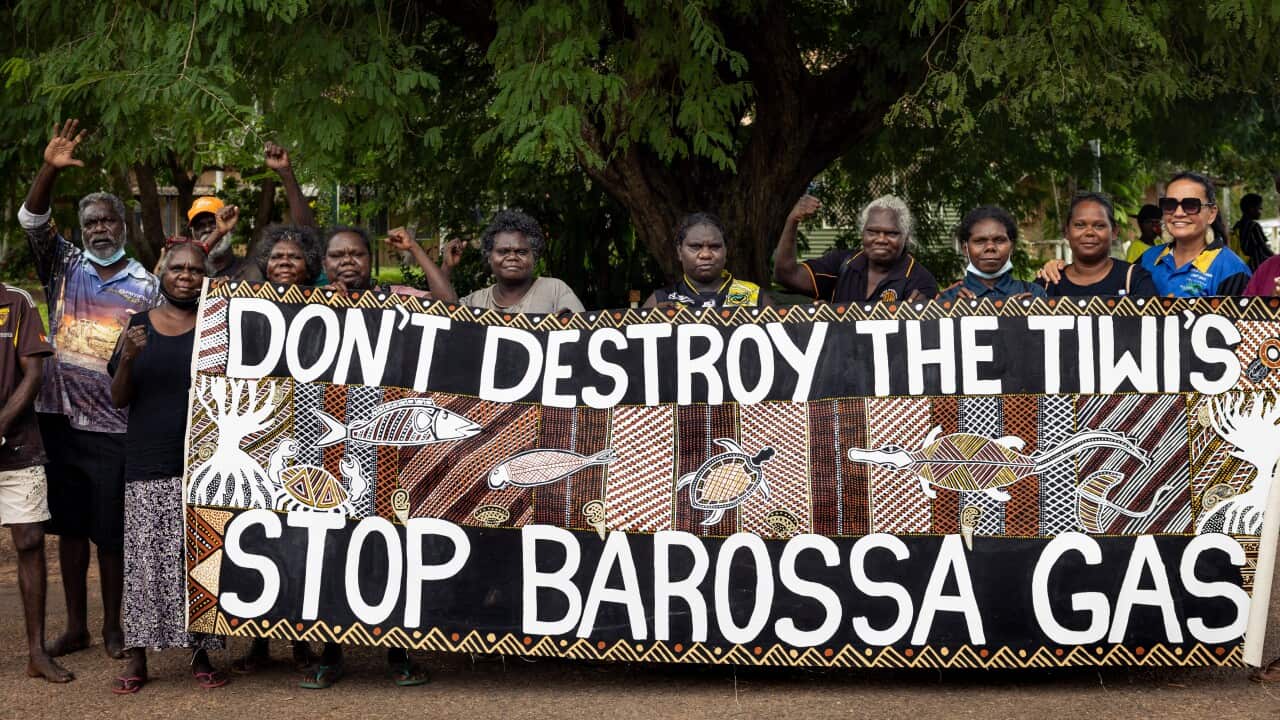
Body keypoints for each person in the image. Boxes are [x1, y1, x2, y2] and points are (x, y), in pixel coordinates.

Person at [18, 120, 159, 661]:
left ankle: (113, 628)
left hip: (114, 428)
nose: (100, 227)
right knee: (69, 532)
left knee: (110, 535)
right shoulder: (64, 266)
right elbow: (33, 219)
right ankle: (75, 627)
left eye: (108, 219)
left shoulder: (146, 285)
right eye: (91, 221)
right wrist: (50, 169)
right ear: (81, 230)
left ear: (123, 225)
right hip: (59, 420)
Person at [299, 227, 437, 690]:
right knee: (332, 542)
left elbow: (449, 304)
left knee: (389, 542)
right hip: (325, 438)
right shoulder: (306, 304)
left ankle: (397, 651)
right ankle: (331, 650)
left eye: (356, 254)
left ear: (370, 258)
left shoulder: (395, 297)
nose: (347, 262)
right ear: (325, 261)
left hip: (387, 440)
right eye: (337, 255)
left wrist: (415, 250)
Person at [106, 243, 228, 694]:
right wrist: (131, 358)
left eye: (196, 269)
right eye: (177, 267)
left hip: (205, 462)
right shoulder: (137, 327)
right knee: (145, 561)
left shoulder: (219, 327)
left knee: (198, 560)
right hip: (149, 459)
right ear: (161, 271)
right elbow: (119, 398)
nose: (186, 275)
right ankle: (137, 657)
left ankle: (201, 651)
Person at [228, 224, 324, 676]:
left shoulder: (331, 308)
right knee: (260, 528)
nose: (284, 263)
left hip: (307, 426)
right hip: (261, 426)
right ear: (265, 264)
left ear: (310, 267)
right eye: (277, 258)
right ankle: (259, 639)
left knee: (303, 534)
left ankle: (304, 641)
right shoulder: (244, 306)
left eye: (294, 258)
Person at [0, 282, 71, 683]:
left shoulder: (17, 302)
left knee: (29, 541)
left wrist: (2, 422)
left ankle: (36, 653)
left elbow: (34, 373)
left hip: (18, 446)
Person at [773, 194, 939, 303]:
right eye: (873, 232)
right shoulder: (842, 264)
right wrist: (792, 220)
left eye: (891, 234)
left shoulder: (920, 280)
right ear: (862, 232)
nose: (881, 239)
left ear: (906, 236)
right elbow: (786, 274)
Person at [445, 210, 585, 314]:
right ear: (489, 257)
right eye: (503, 251)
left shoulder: (554, 290)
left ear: (534, 257)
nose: (512, 257)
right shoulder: (476, 302)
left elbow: (582, 332)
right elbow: (446, 313)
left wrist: (568, 323)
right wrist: (446, 267)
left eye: (521, 252)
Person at [1137, 171, 1251, 297]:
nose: (1178, 213)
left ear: (1211, 214)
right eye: (1170, 205)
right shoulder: (1147, 259)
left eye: (1191, 205)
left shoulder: (1232, 270)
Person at [1034, 193, 1157, 297]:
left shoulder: (1135, 279)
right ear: (1067, 232)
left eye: (1099, 226)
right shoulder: (1047, 283)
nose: (1089, 232)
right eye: (1079, 225)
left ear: (1114, 232)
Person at [643, 212, 773, 308]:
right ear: (679, 252)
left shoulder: (754, 296)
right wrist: (653, 320)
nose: (705, 254)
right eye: (695, 247)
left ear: (726, 251)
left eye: (715, 247)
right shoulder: (660, 300)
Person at [938, 205, 1046, 301]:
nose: (990, 247)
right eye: (980, 241)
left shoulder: (1035, 294)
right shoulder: (947, 299)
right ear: (965, 248)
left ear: (1012, 247)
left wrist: (1032, 313)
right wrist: (953, 312)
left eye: (999, 240)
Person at [186, 197, 262, 281]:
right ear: (192, 233)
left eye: (213, 223)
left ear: (231, 227)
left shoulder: (249, 271)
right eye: (200, 226)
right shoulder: (188, 273)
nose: (207, 229)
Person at [1231, 193, 1274, 271]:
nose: (1261, 211)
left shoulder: (1237, 226)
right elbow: (1264, 249)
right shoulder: (1254, 226)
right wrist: (1276, 258)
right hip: (1256, 269)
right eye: (1260, 208)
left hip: (1243, 268)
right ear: (1252, 209)